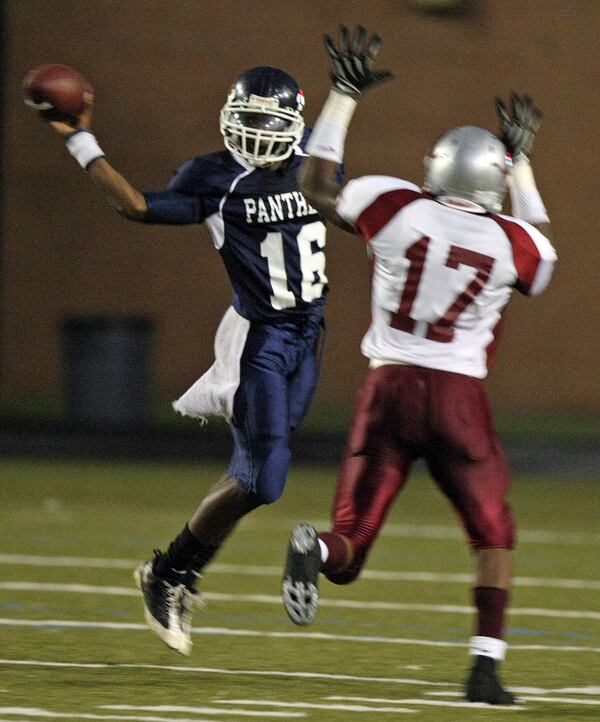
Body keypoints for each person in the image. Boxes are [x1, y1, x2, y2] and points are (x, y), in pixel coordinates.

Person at [281, 26, 556, 705]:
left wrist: (342, 96)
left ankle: (315, 552)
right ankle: (485, 668)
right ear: (491, 181)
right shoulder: (511, 239)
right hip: (458, 397)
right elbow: (541, 252)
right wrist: (521, 166)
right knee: (493, 532)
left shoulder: (393, 204)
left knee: (352, 540)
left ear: (434, 168)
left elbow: (314, 183)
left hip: (387, 388)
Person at [35, 66, 336, 656]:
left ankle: (174, 573)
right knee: (265, 478)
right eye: (246, 119)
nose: (254, 132)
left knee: (255, 472)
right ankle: (169, 574)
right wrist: (78, 137)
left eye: (268, 121)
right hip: (262, 340)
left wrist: (345, 97)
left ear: (295, 126)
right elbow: (136, 205)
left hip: (310, 333)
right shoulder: (214, 177)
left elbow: (341, 193)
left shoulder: (317, 165)